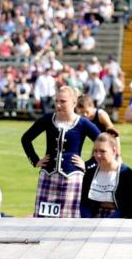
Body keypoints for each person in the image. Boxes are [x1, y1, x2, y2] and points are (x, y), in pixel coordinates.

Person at [22, 86, 101, 218]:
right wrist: (35, 160)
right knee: (42, 218)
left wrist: (88, 164)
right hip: (47, 175)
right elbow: (26, 139)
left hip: (72, 178)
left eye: (63, 101)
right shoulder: (48, 119)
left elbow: (103, 143)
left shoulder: (82, 123)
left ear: (74, 102)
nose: (58, 105)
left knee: (67, 219)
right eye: (56, 100)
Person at [80, 131, 132, 218]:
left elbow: (127, 206)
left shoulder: (126, 173)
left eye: (102, 151)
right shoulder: (90, 173)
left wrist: (109, 221)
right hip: (94, 217)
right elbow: (84, 203)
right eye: (95, 151)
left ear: (114, 151)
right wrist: (88, 220)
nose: (98, 155)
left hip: (118, 217)